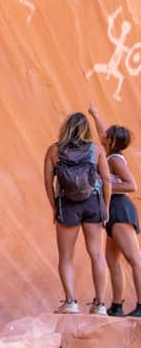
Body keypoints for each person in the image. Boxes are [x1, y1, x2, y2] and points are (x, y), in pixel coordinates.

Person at [44, 112, 111, 314]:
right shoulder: (96, 149)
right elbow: (107, 180)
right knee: (96, 253)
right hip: (92, 203)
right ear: (86, 129)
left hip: (67, 204)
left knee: (66, 256)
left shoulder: (54, 150)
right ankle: (100, 305)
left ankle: (71, 302)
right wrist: (105, 207)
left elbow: (48, 183)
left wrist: (54, 207)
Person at [88, 103, 141, 317]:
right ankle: (117, 306)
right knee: (112, 260)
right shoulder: (109, 154)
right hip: (111, 210)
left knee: (134, 258)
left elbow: (132, 185)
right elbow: (102, 131)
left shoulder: (115, 160)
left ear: (111, 141)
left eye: (106, 135)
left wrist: (103, 186)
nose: (102, 135)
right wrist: (95, 114)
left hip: (120, 208)